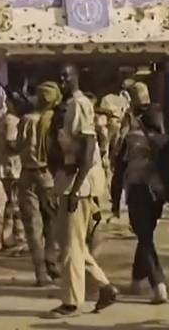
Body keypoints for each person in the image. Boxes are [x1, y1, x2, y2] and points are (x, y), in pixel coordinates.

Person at [47, 64, 118, 319]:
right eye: (60, 77)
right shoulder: (68, 107)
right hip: (70, 180)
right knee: (72, 243)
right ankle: (105, 287)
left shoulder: (79, 105)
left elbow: (88, 148)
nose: (62, 81)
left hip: (79, 184)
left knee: (71, 248)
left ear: (76, 78)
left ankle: (72, 302)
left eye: (66, 76)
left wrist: (76, 190)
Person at [111, 81, 169, 304]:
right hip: (157, 192)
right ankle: (137, 280)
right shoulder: (163, 135)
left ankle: (158, 284)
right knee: (145, 234)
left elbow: (119, 168)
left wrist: (115, 199)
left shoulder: (130, 135)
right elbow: (168, 169)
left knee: (144, 237)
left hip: (138, 188)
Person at [16, 81, 62, 285]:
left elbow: (18, 145)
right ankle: (52, 261)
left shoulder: (26, 120)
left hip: (27, 174)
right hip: (49, 175)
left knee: (33, 226)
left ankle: (40, 273)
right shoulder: (54, 119)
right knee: (52, 221)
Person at [0, 96, 27, 252]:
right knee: (16, 203)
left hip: (5, 165)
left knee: (11, 202)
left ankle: (7, 237)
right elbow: (12, 143)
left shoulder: (2, 119)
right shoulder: (13, 121)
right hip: (13, 167)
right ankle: (19, 238)